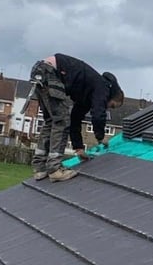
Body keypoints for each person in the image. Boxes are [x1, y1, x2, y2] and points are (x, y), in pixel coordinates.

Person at [30, 53, 124, 182]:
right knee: (61, 121)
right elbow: (98, 114)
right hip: (51, 73)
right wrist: (100, 137)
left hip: (40, 72)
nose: (108, 109)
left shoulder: (87, 93)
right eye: (112, 106)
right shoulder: (103, 88)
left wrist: (78, 148)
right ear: (111, 96)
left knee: (51, 121)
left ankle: (40, 169)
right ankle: (54, 169)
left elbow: (75, 120)